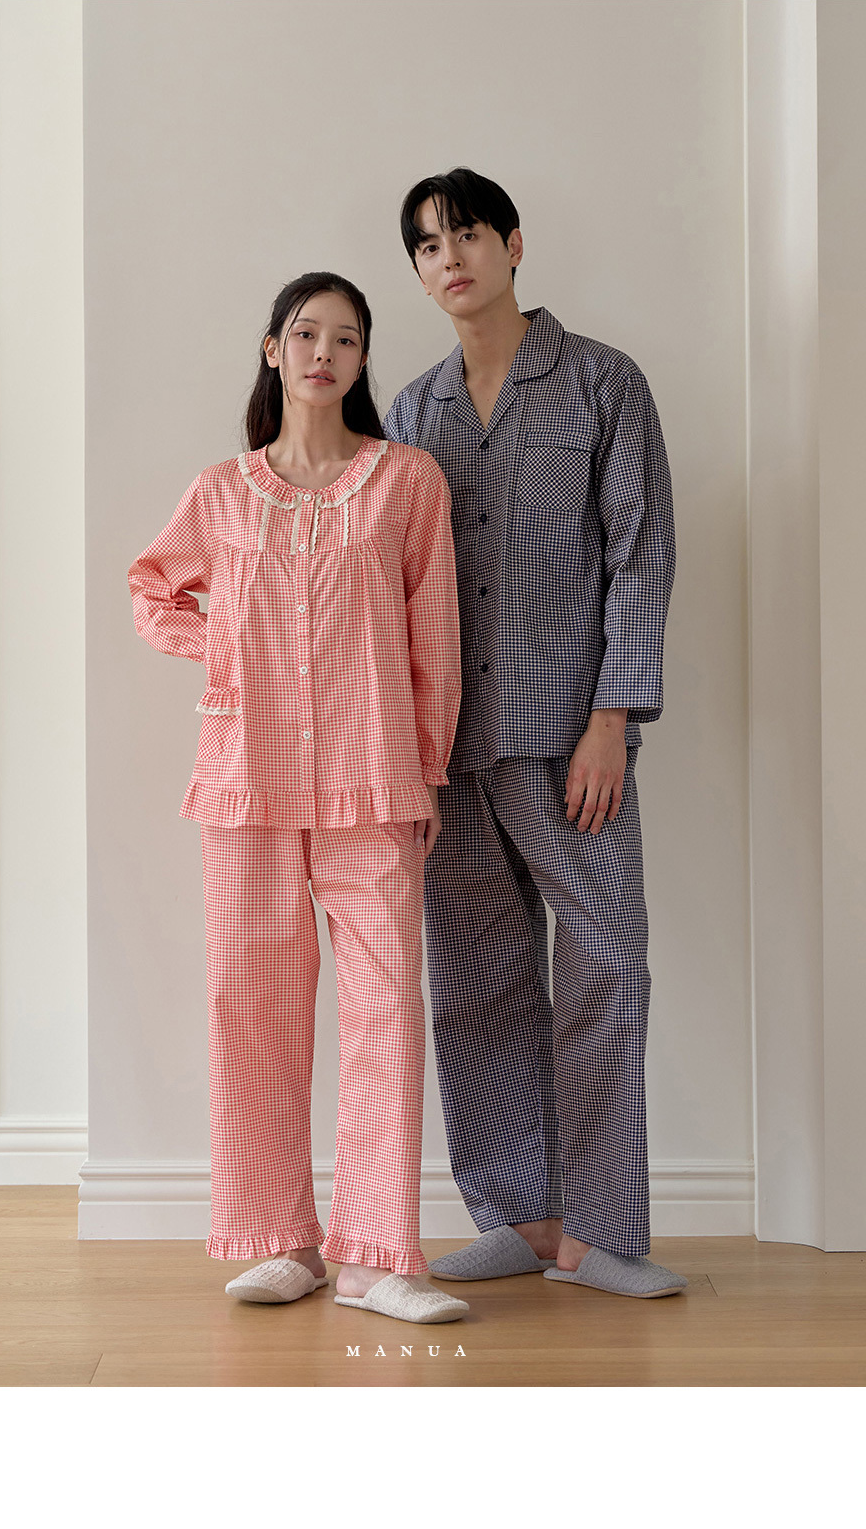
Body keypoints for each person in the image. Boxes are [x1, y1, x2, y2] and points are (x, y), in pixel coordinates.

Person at [129, 266, 465, 1323]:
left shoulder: (405, 481)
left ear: (363, 361)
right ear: (273, 349)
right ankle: (285, 1242)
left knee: (384, 1012)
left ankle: (376, 1255)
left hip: (374, 780)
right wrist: (221, 648)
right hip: (247, 782)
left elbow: (435, 635)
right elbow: (151, 586)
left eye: (347, 338)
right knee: (253, 1009)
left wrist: (428, 768)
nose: (325, 353)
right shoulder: (221, 493)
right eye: (307, 334)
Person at [385, 162, 683, 1300]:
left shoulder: (603, 383)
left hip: (569, 737)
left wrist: (613, 717)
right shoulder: (413, 415)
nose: (450, 257)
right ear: (419, 274)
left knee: (607, 964)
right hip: (448, 750)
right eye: (427, 245)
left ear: (512, 244)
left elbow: (639, 558)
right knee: (477, 980)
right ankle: (524, 1218)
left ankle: (602, 1235)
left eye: (467, 234)